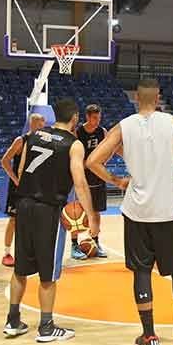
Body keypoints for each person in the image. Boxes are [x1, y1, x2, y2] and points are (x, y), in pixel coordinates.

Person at [87, 78, 173, 345]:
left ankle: (149, 336)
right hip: (168, 209)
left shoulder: (124, 126)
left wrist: (118, 181)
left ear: (137, 99)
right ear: (157, 99)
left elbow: (92, 161)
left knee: (141, 272)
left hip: (136, 210)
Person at [3, 99, 99, 342]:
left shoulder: (33, 135)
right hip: (49, 210)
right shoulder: (74, 144)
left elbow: (23, 169)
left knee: (21, 268)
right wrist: (90, 216)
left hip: (24, 205)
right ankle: (46, 327)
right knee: (48, 272)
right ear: (75, 118)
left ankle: (13, 321)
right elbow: (79, 181)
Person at [0, 113, 46, 266]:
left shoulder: (43, 142)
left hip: (35, 187)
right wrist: (15, 179)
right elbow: (5, 160)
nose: (40, 126)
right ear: (31, 124)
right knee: (14, 220)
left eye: (42, 124)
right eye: (38, 123)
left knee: (34, 220)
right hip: (19, 189)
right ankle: (7, 253)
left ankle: (31, 252)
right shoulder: (21, 140)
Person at [72, 104, 108, 259]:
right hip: (82, 177)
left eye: (99, 118)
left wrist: (102, 163)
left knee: (96, 212)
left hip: (98, 176)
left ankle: (95, 240)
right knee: (76, 213)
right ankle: (74, 245)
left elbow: (108, 150)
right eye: (94, 118)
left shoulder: (103, 132)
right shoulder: (78, 132)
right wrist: (88, 163)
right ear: (87, 117)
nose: (97, 121)